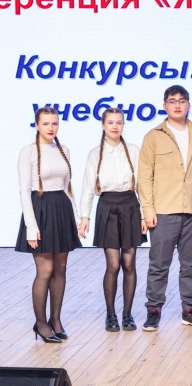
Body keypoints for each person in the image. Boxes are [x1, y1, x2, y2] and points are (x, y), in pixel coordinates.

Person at [138, 85, 192, 331]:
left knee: (191, 265)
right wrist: (148, 210)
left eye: (181, 101)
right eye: (172, 101)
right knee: (159, 264)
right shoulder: (153, 136)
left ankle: (189, 310)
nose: (177, 105)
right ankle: (153, 310)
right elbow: (144, 176)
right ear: (164, 106)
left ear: (188, 105)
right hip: (163, 211)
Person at [16, 107, 81, 343]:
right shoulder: (28, 152)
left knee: (61, 268)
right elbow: (25, 191)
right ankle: (41, 323)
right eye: (45, 124)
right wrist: (31, 227)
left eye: (54, 123)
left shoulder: (64, 150)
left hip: (61, 209)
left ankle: (55, 320)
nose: (51, 128)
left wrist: (76, 218)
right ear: (37, 125)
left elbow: (67, 188)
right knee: (45, 270)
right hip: (41, 209)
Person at [79, 108, 147, 332]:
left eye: (119, 122)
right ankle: (111, 314)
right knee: (114, 264)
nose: (115, 126)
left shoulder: (134, 150)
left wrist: (145, 213)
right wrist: (85, 216)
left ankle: (127, 314)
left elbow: (143, 185)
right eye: (110, 122)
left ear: (123, 125)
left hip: (130, 206)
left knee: (129, 263)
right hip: (107, 206)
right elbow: (88, 187)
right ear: (103, 125)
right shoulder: (95, 153)